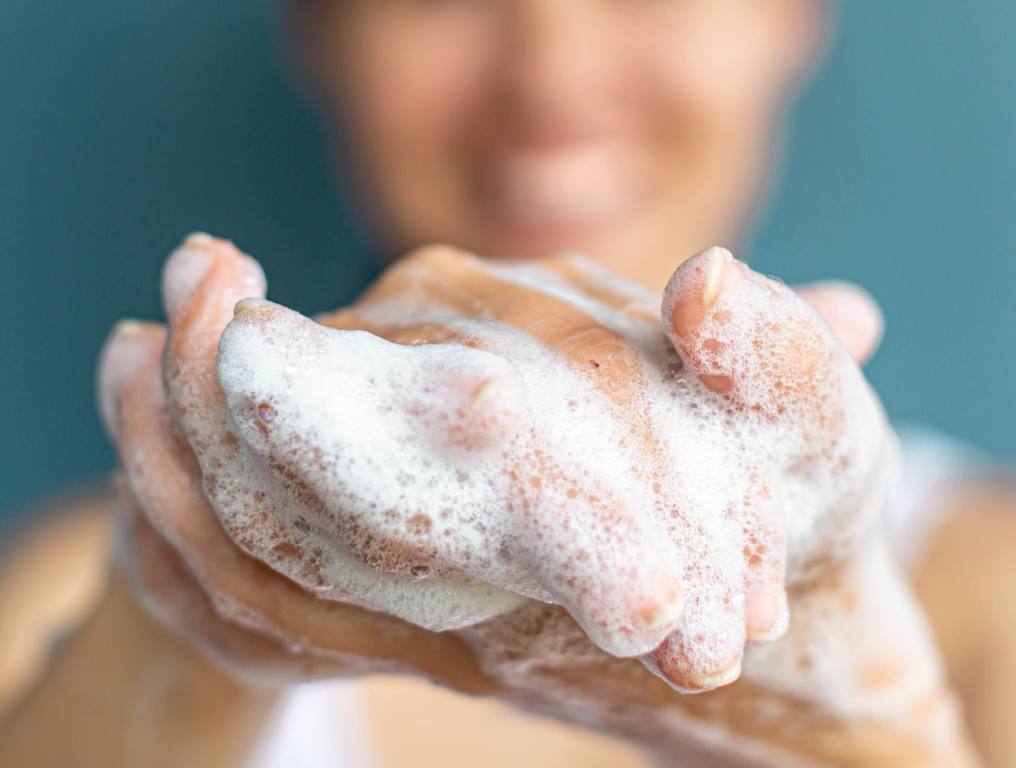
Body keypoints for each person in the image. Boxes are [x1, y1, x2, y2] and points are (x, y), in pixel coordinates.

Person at [1, 1, 1014, 765]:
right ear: (317, 27)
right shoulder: (91, 597)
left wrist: (859, 733)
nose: (551, 79)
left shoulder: (986, 602)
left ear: (791, 16)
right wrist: (189, 627)